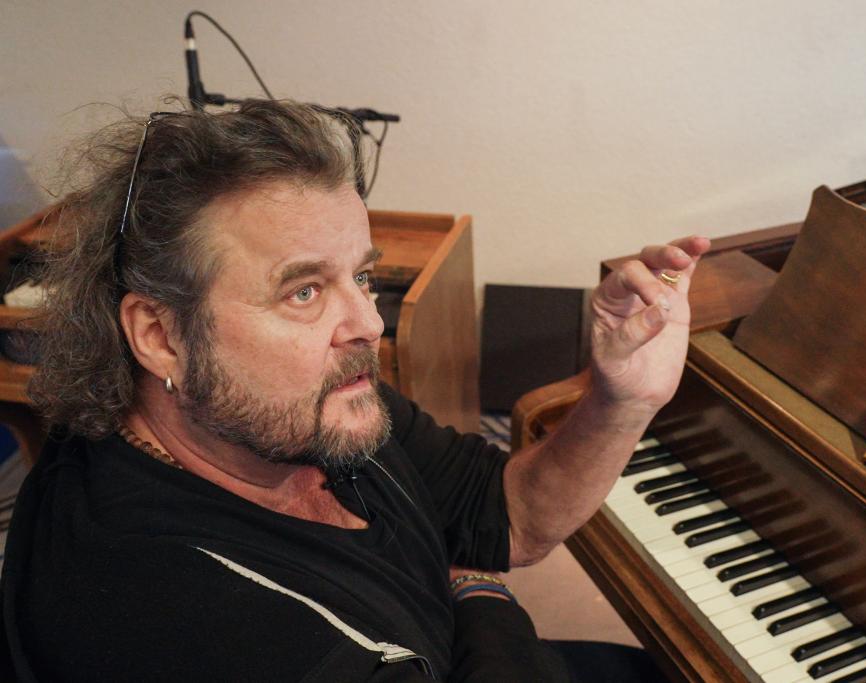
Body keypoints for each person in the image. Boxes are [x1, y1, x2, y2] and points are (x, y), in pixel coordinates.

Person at [0, 99, 709, 681]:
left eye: (362, 277)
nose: (369, 323)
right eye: (304, 291)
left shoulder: (303, 406)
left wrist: (622, 400)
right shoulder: (188, 620)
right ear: (160, 335)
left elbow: (508, 515)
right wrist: (483, 594)